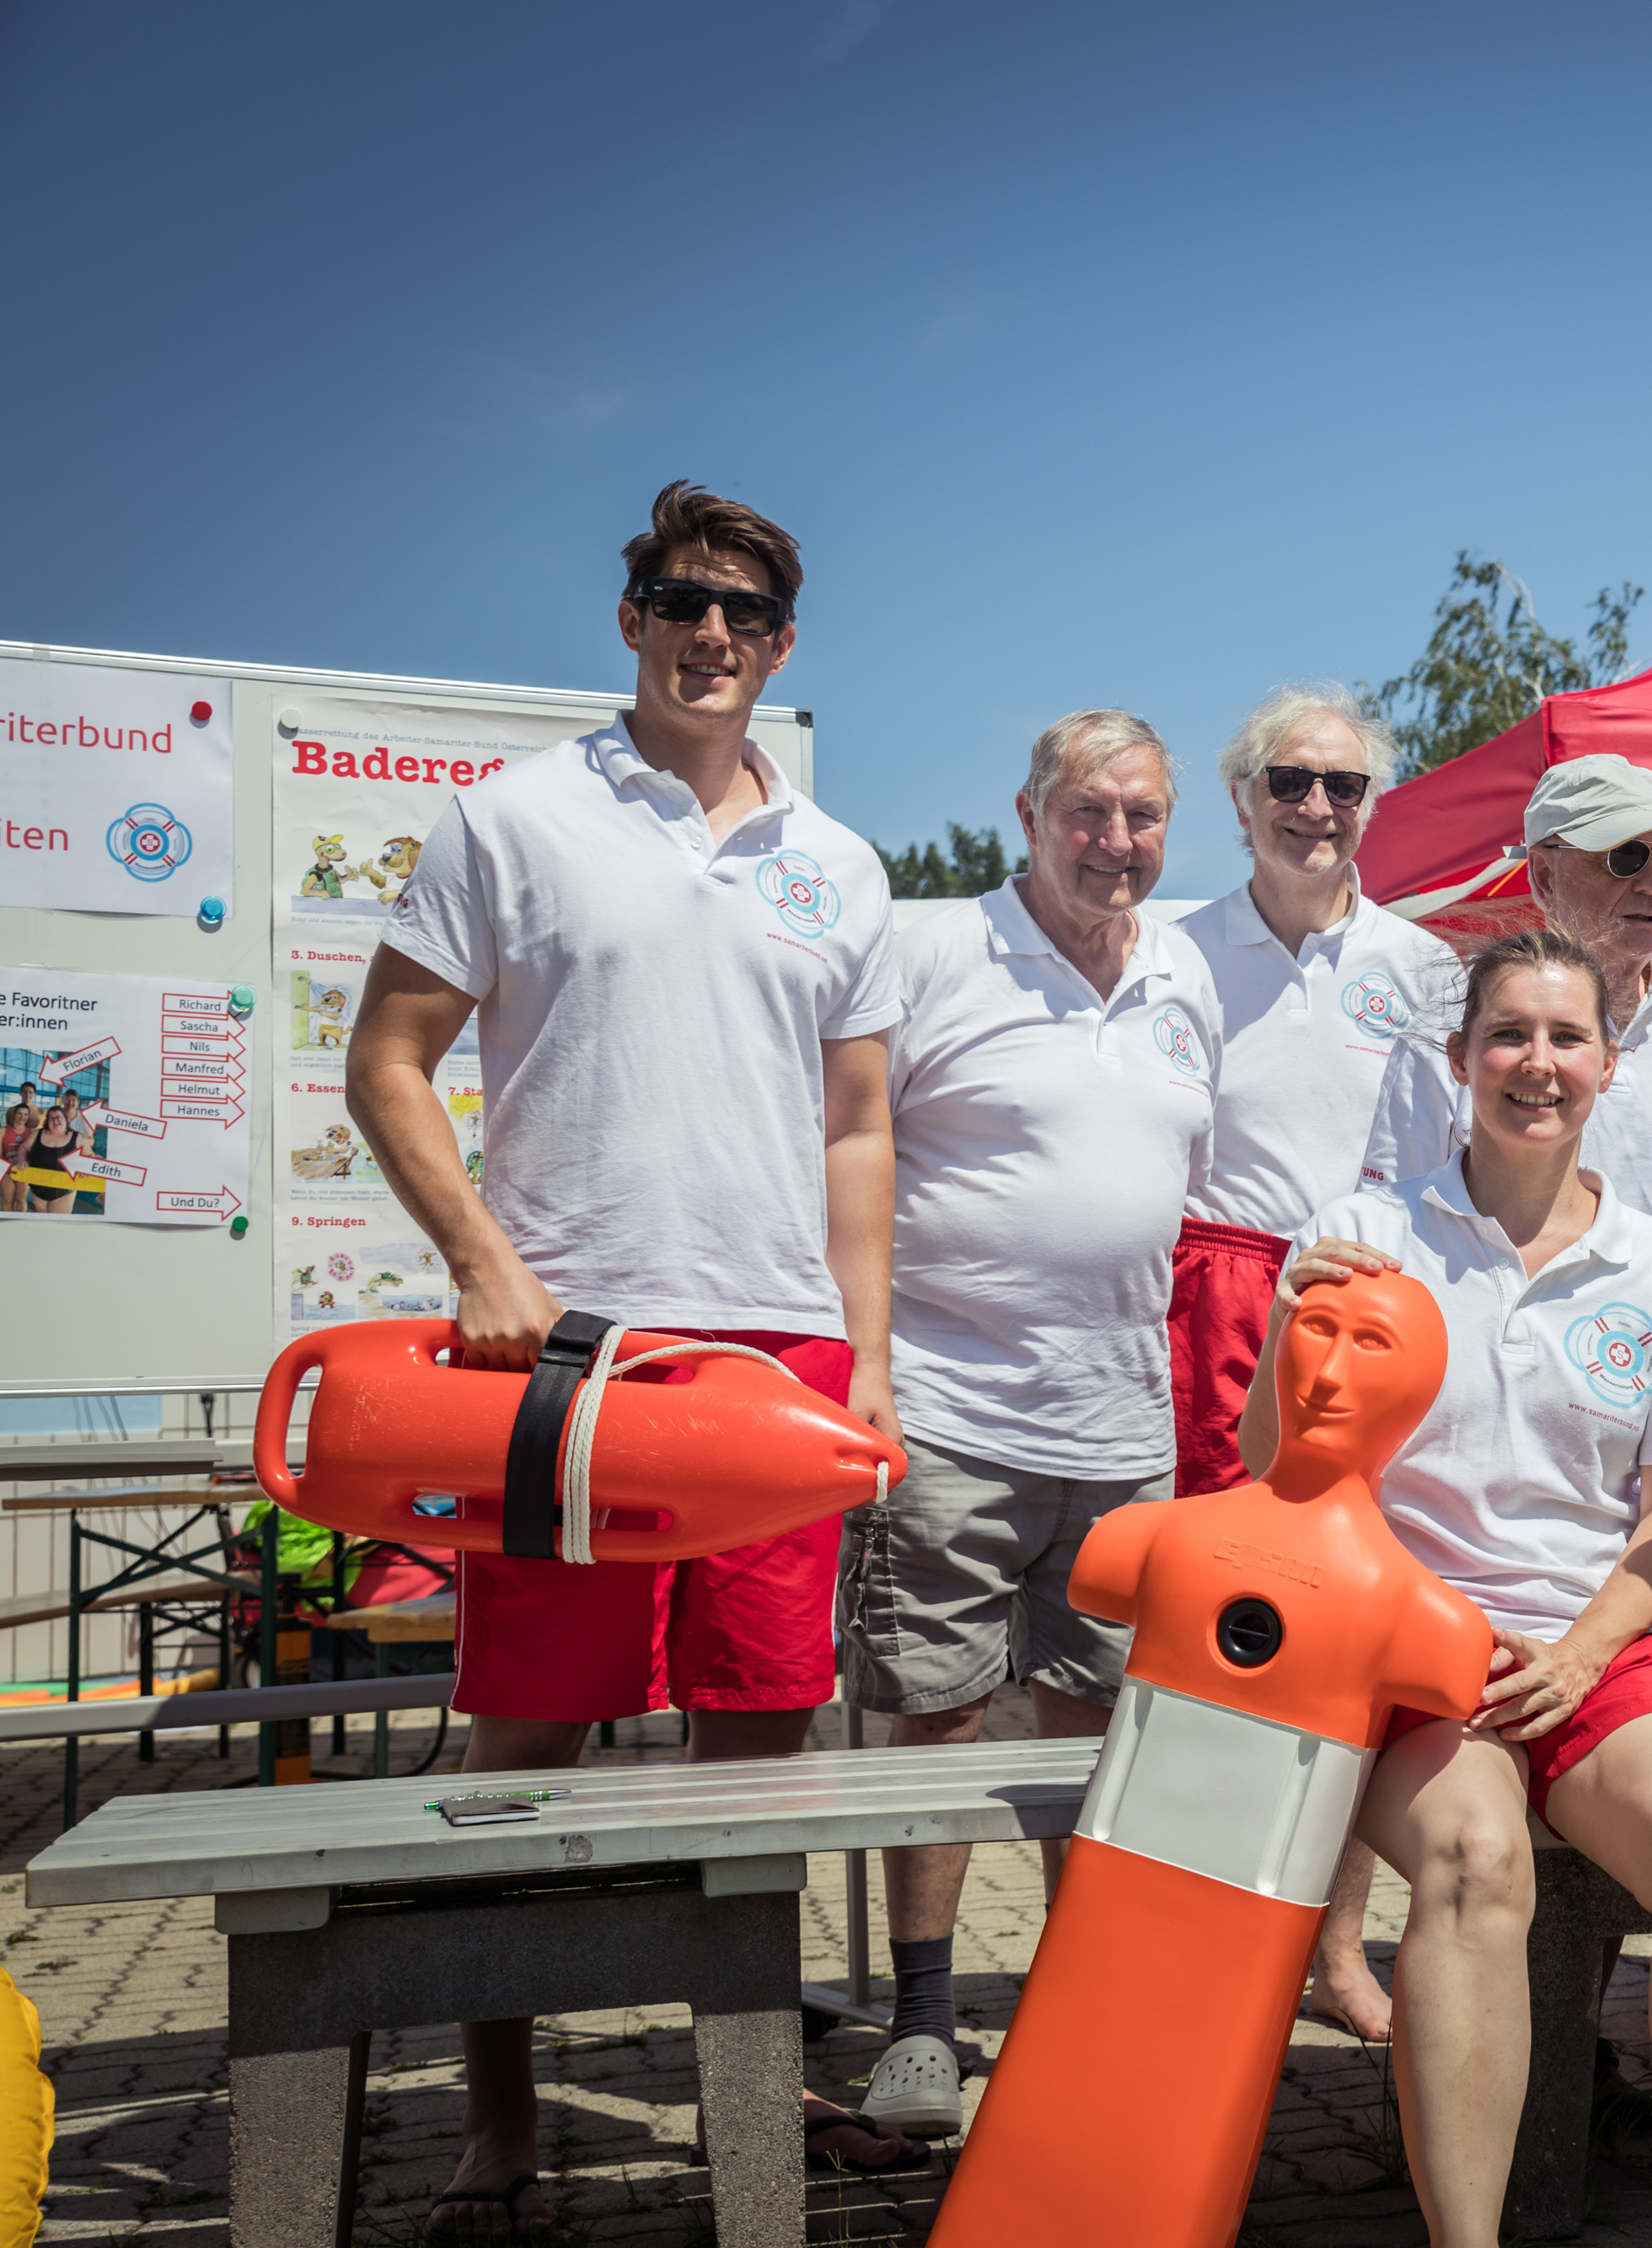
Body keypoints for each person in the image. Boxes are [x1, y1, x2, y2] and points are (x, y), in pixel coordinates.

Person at [346, 480, 917, 2235]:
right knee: (530, 1736)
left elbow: (859, 1130)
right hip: (568, 1351)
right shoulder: (513, 817)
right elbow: (386, 1051)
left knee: (759, 1738)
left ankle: (746, 2081)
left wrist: (864, 1354)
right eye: (681, 600)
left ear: (784, 645)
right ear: (631, 618)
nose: (712, 634)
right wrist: (478, 1256)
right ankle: (498, 2116)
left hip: (776, 1360)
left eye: (745, 613)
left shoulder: (841, 862)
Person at [1262, 927, 1652, 2248]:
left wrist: (1582, 1645)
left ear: (1609, 1063)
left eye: (1566, 1037)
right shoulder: (1365, 1240)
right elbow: (1278, 1481)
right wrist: (1288, 1334)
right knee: (1474, 1859)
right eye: (1508, 1034)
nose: (1536, 1063)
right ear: (1459, 1058)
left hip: (1599, 1646)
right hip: (1407, 1653)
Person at [1342, 751, 1652, 2042]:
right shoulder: (1451, 1038)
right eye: (1624, 856)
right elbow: (1395, 1226)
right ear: (1541, 868)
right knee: (1481, 1823)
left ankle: (1619, 2064)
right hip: (1480, 1466)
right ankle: (1374, 1967)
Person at [844, 710, 1214, 2139]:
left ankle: (1080, 2015)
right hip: (948, 1409)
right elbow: (856, 1144)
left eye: (1140, 815)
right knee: (929, 1719)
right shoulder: (932, 945)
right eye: (1088, 812)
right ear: (1029, 813)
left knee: (1105, 1732)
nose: (1113, 840)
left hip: (1123, 1429)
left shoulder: (1185, 966)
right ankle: (925, 2022)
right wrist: (866, 1359)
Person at [1173, 681, 1456, 2044]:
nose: (1317, 807)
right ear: (1241, 800)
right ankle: (1206, 1937)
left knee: (1351, 1644)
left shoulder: (1421, 968)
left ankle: (1336, 1948)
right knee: (1215, 1638)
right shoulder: (1175, 954)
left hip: (1362, 1308)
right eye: (1290, 780)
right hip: (1212, 1305)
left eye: (1342, 786)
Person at [24, 1090, 84, 1213]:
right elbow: (24, 1148)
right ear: (47, 1121)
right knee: (41, 1225)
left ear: (65, 1119)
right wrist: (22, 1160)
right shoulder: (38, 1134)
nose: (55, 1120)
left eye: (59, 1117)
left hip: (64, 1192)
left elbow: (89, 1156)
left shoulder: (77, 1137)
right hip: (38, 1190)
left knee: (57, 1227)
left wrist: (85, 1168)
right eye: (52, 1118)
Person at [3, 1083, 37, 1212]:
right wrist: (6, 1167)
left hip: (24, 1168)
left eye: (25, 1115)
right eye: (19, 1114)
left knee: (21, 1200)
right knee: (7, 1200)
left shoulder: (32, 1131)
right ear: (14, 1114)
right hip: (7, 1168)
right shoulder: (3, 1131)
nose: (22, 1117)